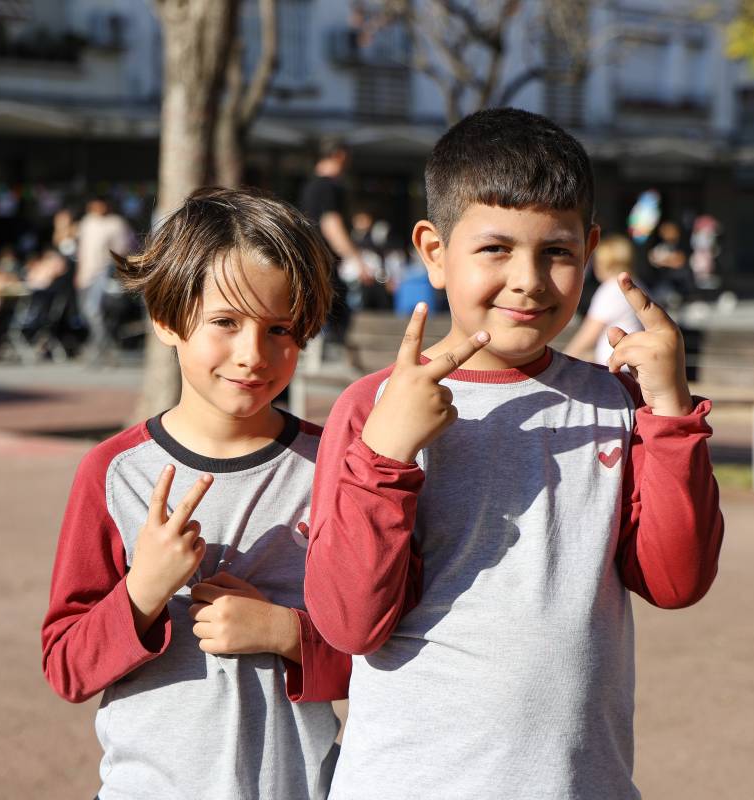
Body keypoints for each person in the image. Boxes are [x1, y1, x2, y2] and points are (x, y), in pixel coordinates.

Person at [304, 108, 724, 798]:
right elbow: (351, 620)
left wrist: (671, 415)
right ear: (435, 253)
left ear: (588, 253)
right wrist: (386, 456)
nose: (528, 279)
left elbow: (676, 582)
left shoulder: (619, 406)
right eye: (495, 249)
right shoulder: (373, 409)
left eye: (555, 252)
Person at [41, 187, 350, 799]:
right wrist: (143, 589)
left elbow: (387, 654)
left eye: (279, 328)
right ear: (167, 319)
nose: (252, 354)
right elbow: (66, 667)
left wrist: (287, 633)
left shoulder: (337, 466)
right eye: (225, 322)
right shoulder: (113, 472)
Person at [298, 137, 368, 347]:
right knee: (338, 314)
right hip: (325, 264)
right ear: (339, 156)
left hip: (312, 261)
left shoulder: (310, 186)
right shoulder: (329, 187)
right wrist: (357, 260)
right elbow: (331, 225)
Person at [564, 234, 644, 364]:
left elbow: (589, 334)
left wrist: (566, 358)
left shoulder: (611, 289)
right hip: (632, 365)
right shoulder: (637, 285)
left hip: (618, 369)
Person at [75, 196, 133, 361]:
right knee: (86, 312)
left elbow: (124, 248)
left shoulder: (116, 223)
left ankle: (100, 346)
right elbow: (82, 250)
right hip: (86, 273)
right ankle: (104, 344)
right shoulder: (87, 223)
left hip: (104, 273)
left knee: (93, 310)